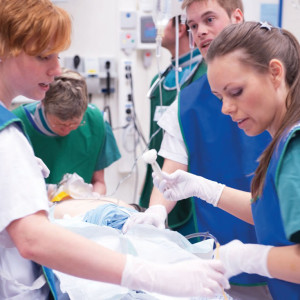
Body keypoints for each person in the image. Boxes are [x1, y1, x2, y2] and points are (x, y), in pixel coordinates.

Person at [0, 0, 229, 299]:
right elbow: (33, 238)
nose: (57, 69)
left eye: (57, 55)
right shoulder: (8, 136)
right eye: (44, 56)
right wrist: (151, 275)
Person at [124, 1, 273, 299]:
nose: (200, 32)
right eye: (192, 26)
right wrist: (155, 210)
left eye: (209, 19)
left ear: (237, 17)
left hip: (279, 251)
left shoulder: (276, 91)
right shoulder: (186, 102)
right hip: (219, 259)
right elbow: (171, 173)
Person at [153, 21, 300, 300]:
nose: (226, 108)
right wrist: (204, 189)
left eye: (235, 92)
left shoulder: (295, 147)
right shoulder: (283, 142)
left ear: (275, 73)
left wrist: (249, 257)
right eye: (219, 97)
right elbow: (272, 213)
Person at [140, 14, 206, 235]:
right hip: (160, 177)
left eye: (163, 23)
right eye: (196, 25)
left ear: (179, 29)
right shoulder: (158, 82)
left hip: (194, 185)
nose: (157, 28)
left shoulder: (205, 77)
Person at [13, 68, 120, 195]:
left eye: (74, 124)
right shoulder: (17, 125)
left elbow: (98, 182)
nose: (66, 130)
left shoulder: (96, 122)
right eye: (59, 124)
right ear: (43, 104)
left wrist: (93, 200)